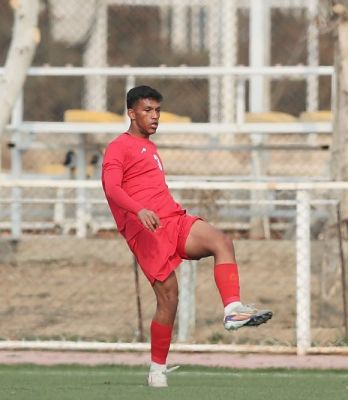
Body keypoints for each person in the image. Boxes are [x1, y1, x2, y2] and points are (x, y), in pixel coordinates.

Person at [101, 85, 273, 388]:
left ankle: (233, 310)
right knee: (169, 300)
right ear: (131, 113)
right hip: (147, 230)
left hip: (173, 219)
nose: (154, 117)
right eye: (147, 110)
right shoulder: (119, 146)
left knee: (221, 240)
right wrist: (139, 210)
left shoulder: (150, 147)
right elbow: (111, 188)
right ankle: (157, 369)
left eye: (157, 111)